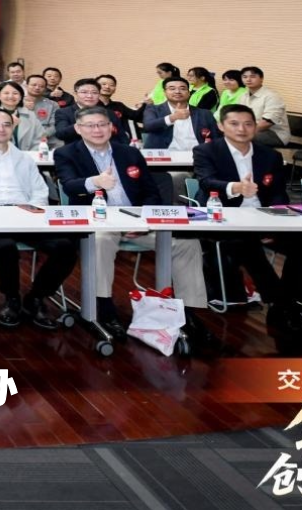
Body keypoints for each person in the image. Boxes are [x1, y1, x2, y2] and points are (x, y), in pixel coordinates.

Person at [52, 106, 208, 343]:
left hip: (137, 222)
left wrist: (146, 221)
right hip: (99, 222)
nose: (97, 130)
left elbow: (151, 192)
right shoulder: (66, 153)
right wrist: (96, 182)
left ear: (111, 127)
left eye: (102, 124)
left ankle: (188, 312)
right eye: (90, 125)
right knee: (100, 241)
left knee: (187, 244)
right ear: (78, 129)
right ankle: (103, 307)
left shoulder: (129, 153)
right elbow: (70, 186)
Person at [194, 104, 302, 350]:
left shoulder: (270, 155)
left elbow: (278, 193)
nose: (242, 129)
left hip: (263, 218)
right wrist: (236, 187)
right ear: (221, 126)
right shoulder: (206, 151)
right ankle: (286, 307)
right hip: (223, 219)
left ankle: (288, 304)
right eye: (234, 123)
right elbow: (206, 181)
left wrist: (273, 221)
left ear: (256, 127)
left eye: (248, 124)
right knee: (246, 244)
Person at [0, 109, 79, 331]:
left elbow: (40, 192)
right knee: (5, 246)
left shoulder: (24, 158)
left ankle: (36, 297)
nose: (1, 129)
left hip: (24, 216)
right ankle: (12, 299)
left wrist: (31, 210)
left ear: (12, 128)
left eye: (6, 124)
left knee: (65, 247)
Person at [142, 77, 219, 151]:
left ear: (189, 93)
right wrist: (172, 117)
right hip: (165, 156)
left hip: (198, 155)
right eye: (172, 89)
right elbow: (148, 126)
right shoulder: (153, 109)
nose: (177, 91)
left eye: (182, 88)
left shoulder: (205, 114)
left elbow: (216, 137)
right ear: (164, 93)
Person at [50, 78, 121, 146]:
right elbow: (61, 133)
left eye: (94, 92)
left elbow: (121, 136)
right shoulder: (64, 112)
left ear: (99, 94)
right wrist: (83, 124)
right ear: (75, 93)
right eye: (84, 92)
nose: (89, 96)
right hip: (77, 151)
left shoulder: (108, 113)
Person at [235, 66, 290, 147]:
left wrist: (245, 132)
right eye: (245, 77)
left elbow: (267, 123)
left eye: (253, 76)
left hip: (275, 134)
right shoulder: (243, 96)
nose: (248, 79)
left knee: (238, 137)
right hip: (251, 129)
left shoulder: (271, 96)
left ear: (261, 78)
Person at [0, 81, 45, 150]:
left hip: (28, 154)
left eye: (15, 93)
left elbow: (40, 138)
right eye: (6, 93)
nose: (11, 96)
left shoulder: (30, 115)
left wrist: (29, 154)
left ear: (21, 96)